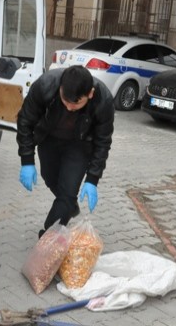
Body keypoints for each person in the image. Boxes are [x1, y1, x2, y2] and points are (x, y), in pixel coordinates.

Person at [16, 66, 115, 238]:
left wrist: (92, 179)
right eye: (65, 100)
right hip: (49, 139)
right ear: (60, 87)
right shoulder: (45, 86)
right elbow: (25, 121)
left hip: (79, 145)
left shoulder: (103, 100)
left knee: (68, 192)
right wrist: (27, 160)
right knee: (49, 177)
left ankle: (48, 238)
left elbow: (103, 142)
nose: (69, 107)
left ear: (90, 94)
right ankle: (69, 206)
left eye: (76, 102)